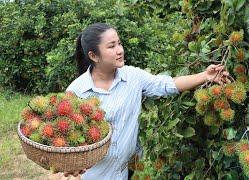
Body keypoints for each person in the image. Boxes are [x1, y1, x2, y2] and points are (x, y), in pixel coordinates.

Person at [64, 23, 230, 180]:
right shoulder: (77, 91)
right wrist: (72, 161)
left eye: (119, 43)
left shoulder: (133, 77)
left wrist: (205, 76)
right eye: (111, 46)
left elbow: (167, 85)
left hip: (124, 171)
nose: (119, 50)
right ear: (93, 56)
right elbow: (69, 138)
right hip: (95, 175)